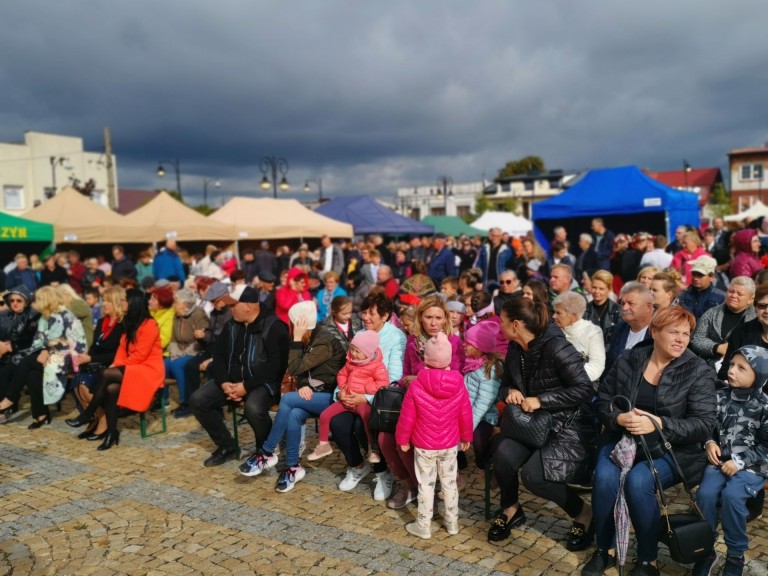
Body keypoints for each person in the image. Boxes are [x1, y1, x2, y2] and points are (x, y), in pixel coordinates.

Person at [583, 306, 717, 576]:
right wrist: (619, 419)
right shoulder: (630, 358)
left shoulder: (697, 370)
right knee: (605, 479)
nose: (681, 339)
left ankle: (647, 560)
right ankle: (604, 550)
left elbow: (703, 424)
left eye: (686, 334)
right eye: (673, 332)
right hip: (623, 439)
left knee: (638, 481)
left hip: (674, 447)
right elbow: (604, 399)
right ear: (654, 332)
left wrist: (659, 423)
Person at [489, 297, 596, 551]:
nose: (498, 325)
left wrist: (542, 400)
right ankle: (511, 509)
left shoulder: (557, 347)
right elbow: (504, 386)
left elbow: (584, 389)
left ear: (516, 324)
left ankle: (583, 513)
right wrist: (510, 391)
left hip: (565, 426)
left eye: (501, 321)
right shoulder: (516, 347)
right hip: (530, 423)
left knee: (535, 477)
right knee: (502, 454)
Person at [237, 301, 347, 492]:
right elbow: (303, 373)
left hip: (334, 395)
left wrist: (295, 339)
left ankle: (266, 452)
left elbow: (295, 368)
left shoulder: (323, 341)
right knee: (294, 413)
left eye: (291, 323)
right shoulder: (311, 336)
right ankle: (292, 467)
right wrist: (304, 386)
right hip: (317, 393)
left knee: (288, 400)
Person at [190, 285, 289, 467]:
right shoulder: (232, 325)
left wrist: (246, 386)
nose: (229, 308)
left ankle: (265, 451)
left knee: (253, 407)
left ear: (248, 306)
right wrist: (224, 383)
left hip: (264, 383)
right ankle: (227, 447)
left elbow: (276, 366)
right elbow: (218, 356)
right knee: (198, 400)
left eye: (233, 305)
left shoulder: (274, 326)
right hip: (232, 381)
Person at [694, 345, 768, 576]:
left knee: (732, 496)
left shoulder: (764, 406)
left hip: (752, 467)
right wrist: (709, 442)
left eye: (741, 368)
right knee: (705, 495)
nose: (732, 371)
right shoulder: (719, 397)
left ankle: (735, 555)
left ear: (758, 375)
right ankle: (707, 549)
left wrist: (739, 461)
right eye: (732, 365)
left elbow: (766, 447)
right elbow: (706, 426)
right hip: (720, 463)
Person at [65, 288, 164, 451]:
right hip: (132, 367)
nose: (121, 302)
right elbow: (121, 349)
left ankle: (88, 413)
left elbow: (140, 355)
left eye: (124, 300)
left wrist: (117, 366)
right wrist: (116, 364)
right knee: (111, 388)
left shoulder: (150, 324)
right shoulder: (129, 322)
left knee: (106, 374)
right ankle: (111, 433)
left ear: (133, 303)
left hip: (148, 370)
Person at [329, 292, 406, 500]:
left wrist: (366, 398)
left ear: (386, 316)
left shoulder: (397, 337)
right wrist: (341, 393)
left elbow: (394, 377)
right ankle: (357, 466)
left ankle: (382, 472)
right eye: (364, 312)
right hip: (352, 394)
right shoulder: (361, 332)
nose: (366, 318)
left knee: (360, 425)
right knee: (337, 424)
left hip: (378, 400)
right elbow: (348, 367)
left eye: (372, 314)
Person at [396, 332, 473, 539]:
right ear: (449, 359)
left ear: (425, 359)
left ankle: (424, 524)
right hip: (449, 444)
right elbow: (465, 413)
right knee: (449, 483)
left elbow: (407, 417)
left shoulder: (417, 384)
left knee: (426, 485)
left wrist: (402, 439)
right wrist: (466, 437)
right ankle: (452, 522)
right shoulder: (458, 384)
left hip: (424, 444)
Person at [0, 286, 87, 429]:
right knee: (32, 375)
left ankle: (10, 399)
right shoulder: (43, 317)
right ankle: (41, 414)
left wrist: (47, 350)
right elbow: (37, 341)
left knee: (26, 362)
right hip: (44, 357)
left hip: (65, 360)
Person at [307, 330, 389, 462]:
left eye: (357, 351)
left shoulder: (377, 366)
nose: (353, 354)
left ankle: (373, 449)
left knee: (367, 419)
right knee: (324, 415)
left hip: (362, 402)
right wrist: (344, 388)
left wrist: (365, 390)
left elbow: (383, 383)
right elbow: (341, 374)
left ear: (367, 353)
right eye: (352, 349)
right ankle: (323, 445)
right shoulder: (350, 361)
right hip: (347, 399)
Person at [70, 286, 127, 441]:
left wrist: (92, 359)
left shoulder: (123, 324)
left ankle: (100, 420)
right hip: (97, 363)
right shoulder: (103, 321)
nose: (104, 304)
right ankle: (97, 417)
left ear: (116, 303)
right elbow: (95, 347)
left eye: (107, 301)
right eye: (103, 300)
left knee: (83, 384)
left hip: (112, 366)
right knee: (77, 384)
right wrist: (86, 356)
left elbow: (118, 353)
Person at [690, 277, 756, 370]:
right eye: (731, 291)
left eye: (739, 294)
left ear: (750, 299)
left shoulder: (756, 320)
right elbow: (696, 339)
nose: (733, 295)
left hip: (740, 369)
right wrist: (716, 348)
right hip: (706, 367)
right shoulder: (711, 313)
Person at [462, 322, 503, 468]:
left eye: (468, 343)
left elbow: (484, 402)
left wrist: (469, 424)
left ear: (481, 347)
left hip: (484, 416)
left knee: (479, 441)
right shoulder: (471, 363)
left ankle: (487, 465)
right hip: (467, 413)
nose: (464, 344)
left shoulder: (489, 369)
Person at [164, 288, 210, 417]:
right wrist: (175, 353)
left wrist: (183, 354)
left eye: (176, 302)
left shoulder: (199, 314)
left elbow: (200, 340)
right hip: (179, 351)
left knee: (178, 364)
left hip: (196, 351)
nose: (173, 305)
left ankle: (187, 402)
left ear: (184, 305)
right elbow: (173, 338)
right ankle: (162, 400)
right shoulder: (176, 315)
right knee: (164, 364)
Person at [0, 286, 41, 422]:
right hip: (6, 352)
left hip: (27, 354)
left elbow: (31, 340)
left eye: (19, 300)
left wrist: (10, 346)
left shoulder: (33, 315)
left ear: (26, 301)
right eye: (12, 301)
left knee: (6, 370)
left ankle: (5, 407)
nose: (15, 303)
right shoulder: (4, 315)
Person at [553, 292, 606, 384]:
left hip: (582, 385)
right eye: (554, 312)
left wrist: (570, 377)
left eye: (558, 313)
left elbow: (596, 366)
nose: (554, 316)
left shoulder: (593, 332)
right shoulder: (552, 330)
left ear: (573, 316)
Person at [604, 282, 654, 371]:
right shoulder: (616, 331)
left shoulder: (658, 333)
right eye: (623, 303)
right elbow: (609, 367)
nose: (624, 308)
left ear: (648, 307)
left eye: (631, 303)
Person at [678, 256, 725, 320]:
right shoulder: (682, 294)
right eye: (694, 274)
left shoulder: (722, 297)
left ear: (711, 277)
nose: (695, 278)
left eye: (700, 275)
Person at [583, 270, 620, 345]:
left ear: (609, 289)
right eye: (594, 287)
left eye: (601, 289)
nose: (596, 291)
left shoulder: (617, 311)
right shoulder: (584, 309)